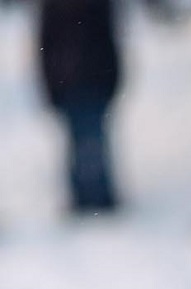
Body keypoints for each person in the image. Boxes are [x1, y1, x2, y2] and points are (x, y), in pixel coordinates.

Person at [36, 0, 123, 214]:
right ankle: (88, 199)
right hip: (73, 82)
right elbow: (45, 46)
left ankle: (96, 198)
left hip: (88, 81)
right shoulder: (54, 7)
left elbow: (109, 39)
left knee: (90, 140)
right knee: (83, 141)